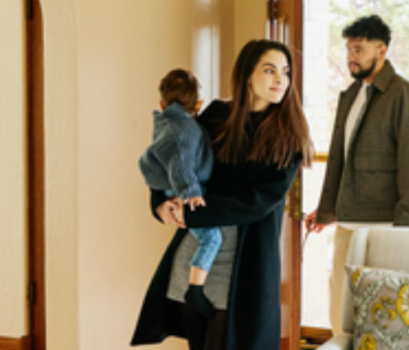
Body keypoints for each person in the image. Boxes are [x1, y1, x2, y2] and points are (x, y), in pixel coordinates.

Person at [132, 40, 313, 350]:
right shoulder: (216, 114)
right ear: (246, 76)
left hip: (246, 263)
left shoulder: (290, 136)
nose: (280, 79)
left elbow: (257, 202)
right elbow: (174, 156)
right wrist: (159, 202)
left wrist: (191, 212)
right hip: (196, 256)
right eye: (269, 70)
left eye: (285, 72)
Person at [304, 14, 409, 335]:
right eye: (348, 49)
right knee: (341, 311)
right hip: (348, 223)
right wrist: (327, 210)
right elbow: (340, 160)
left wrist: (404, 231)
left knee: (382, 318)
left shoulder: (406, 95)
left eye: (359, 49)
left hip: (386, 227)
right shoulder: (350, 96)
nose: (351, 57)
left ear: (382, 50)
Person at [138, 68, 220, 319]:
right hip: (182, 188)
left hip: (173, 188)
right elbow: (181, 165)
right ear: (199, 105)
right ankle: (195, 289)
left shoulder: (165, 123)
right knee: (212, 238)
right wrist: (190, 193)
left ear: (162, 103)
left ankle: (195, 287)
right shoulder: (186, 129)